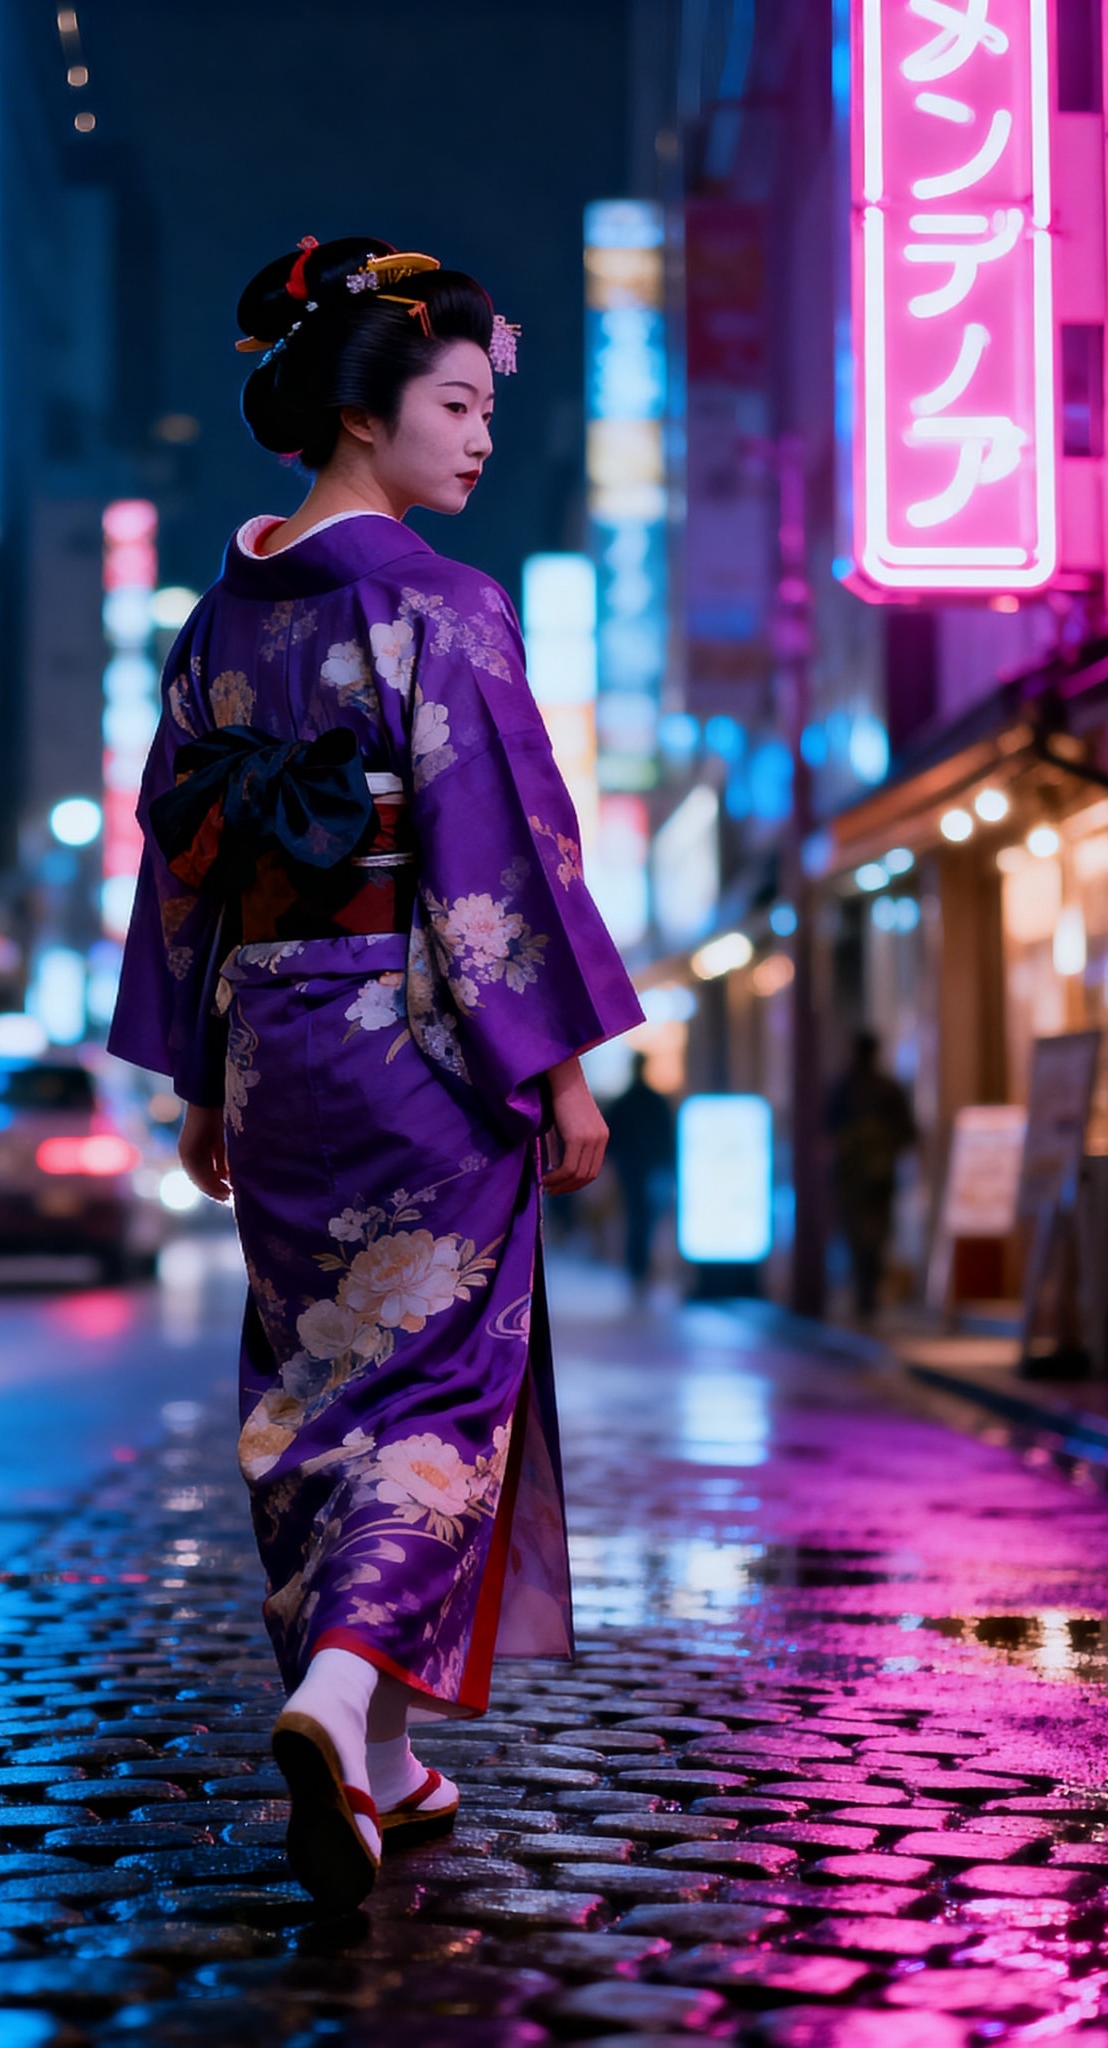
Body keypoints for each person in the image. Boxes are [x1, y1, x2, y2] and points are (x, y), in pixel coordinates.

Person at [109, 236, 642, 1911]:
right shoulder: (437, 602)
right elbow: (499, 851)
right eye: (458, 403)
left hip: (273, 1038)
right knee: (439, 1388)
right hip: (417, 1037)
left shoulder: (213, 621)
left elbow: (185, 864)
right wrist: (558, 1072)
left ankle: (385, 1760)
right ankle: (340, 1701)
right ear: (362, 409)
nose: (483, 436)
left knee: (313, 1386)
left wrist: (203, 1077)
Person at [825, 1029, 919, 1319]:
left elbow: (827, 1128)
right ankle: (867, 1292)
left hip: (858, 1179)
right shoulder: (885, 1088)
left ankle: (864, 1293)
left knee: (858, 1235)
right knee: (874, 1235)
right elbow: (908, 1132)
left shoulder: (845, 1087)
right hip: (878, 1177)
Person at [603, 1052, 676, 1300]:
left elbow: (612, 1138)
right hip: (647, 1169)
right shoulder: (654, 1102)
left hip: (633, 1170)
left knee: (638, 1218)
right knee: (645, 1219)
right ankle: (640, 1268)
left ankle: (638, 1269)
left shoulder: (627, 1101)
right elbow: (667, 1138)